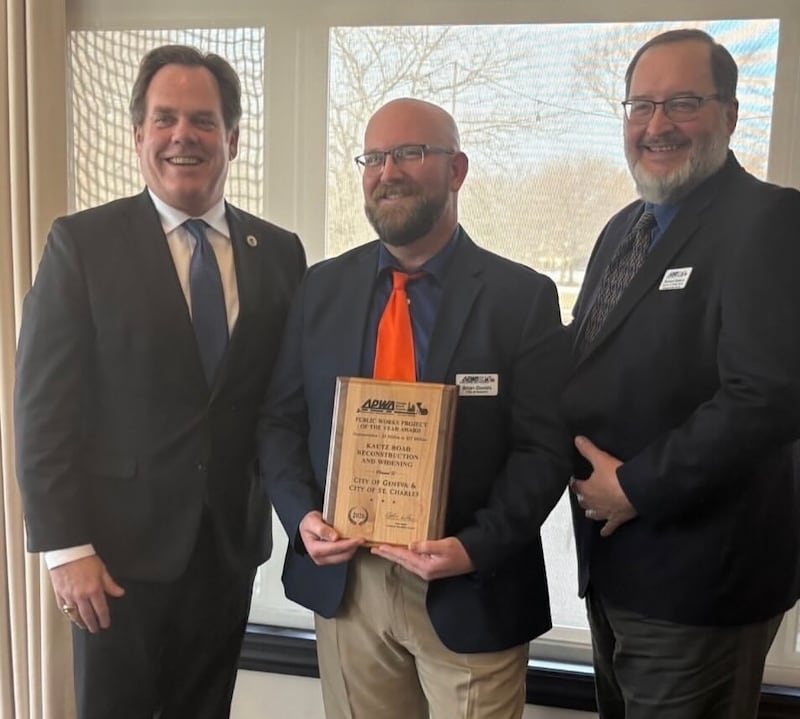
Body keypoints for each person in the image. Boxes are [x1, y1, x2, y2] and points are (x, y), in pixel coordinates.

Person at [14, 45, 306, 719]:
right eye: (165, 118)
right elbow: (41, 412)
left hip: (228, 551)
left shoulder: (280, 253)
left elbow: (288, 400)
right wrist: (66, 547)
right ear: (139, 134)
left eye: (203, 120)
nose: (184, 136)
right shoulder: (81, 245)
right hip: (112, 559)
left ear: (232, 137)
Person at [257, 97, 571, 718]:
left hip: (469, 584)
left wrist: (475, 546)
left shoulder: (521, 297)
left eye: (410, 153)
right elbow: (280, 421)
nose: (387, 171)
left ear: (456, 170)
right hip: (348, 587)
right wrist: (301, 517)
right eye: (374, 157)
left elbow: (544, 450)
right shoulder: (321, 288)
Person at [563, 28, 800, 719]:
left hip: (701, 583)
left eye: (682, 104)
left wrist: (633, 486)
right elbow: (587, 360)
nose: (657, 125)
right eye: (641, 107)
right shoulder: (624, 228)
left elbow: (768, 394)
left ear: (730, 113)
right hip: (618, 571)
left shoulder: (771, 221)